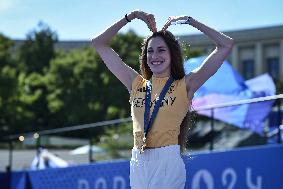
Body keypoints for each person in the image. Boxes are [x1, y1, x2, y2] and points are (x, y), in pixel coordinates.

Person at [92, 10, 233, 189]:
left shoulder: (185, 85)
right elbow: (99, 44)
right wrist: (131, 16)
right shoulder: (135, 83)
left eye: (161, 50)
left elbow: (226, 45)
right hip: (138, 160)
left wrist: (190, 21)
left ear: (172, 54)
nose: (155, 56)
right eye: (150, 51)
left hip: (167, 160)